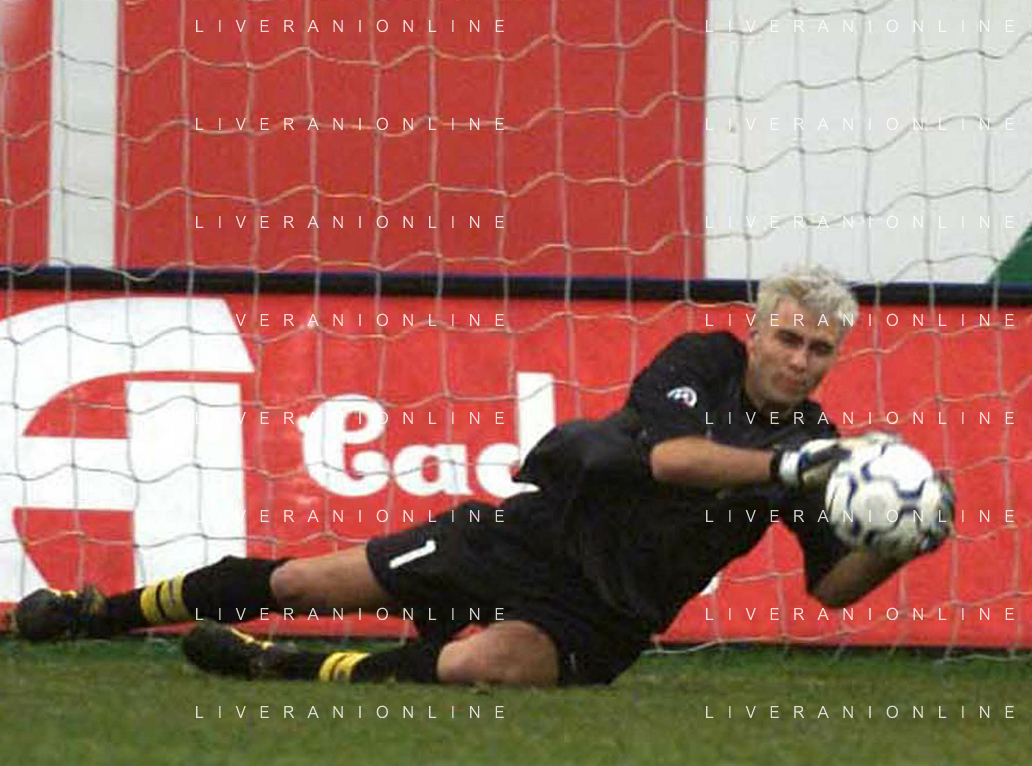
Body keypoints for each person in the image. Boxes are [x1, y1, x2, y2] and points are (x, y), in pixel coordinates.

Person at [8, 265, 953, 686]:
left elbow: (831, 589)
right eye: (786, 338)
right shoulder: (701, 362)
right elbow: (666, 459)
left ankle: (279, 666)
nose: (798, 360)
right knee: (299, 581)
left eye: (818, 350)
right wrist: (790, 463)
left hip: (603, 617)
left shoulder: (828, 455)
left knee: (478, 666)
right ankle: (99, 612)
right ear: (755, 329)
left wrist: (901, 542)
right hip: (525, 540)